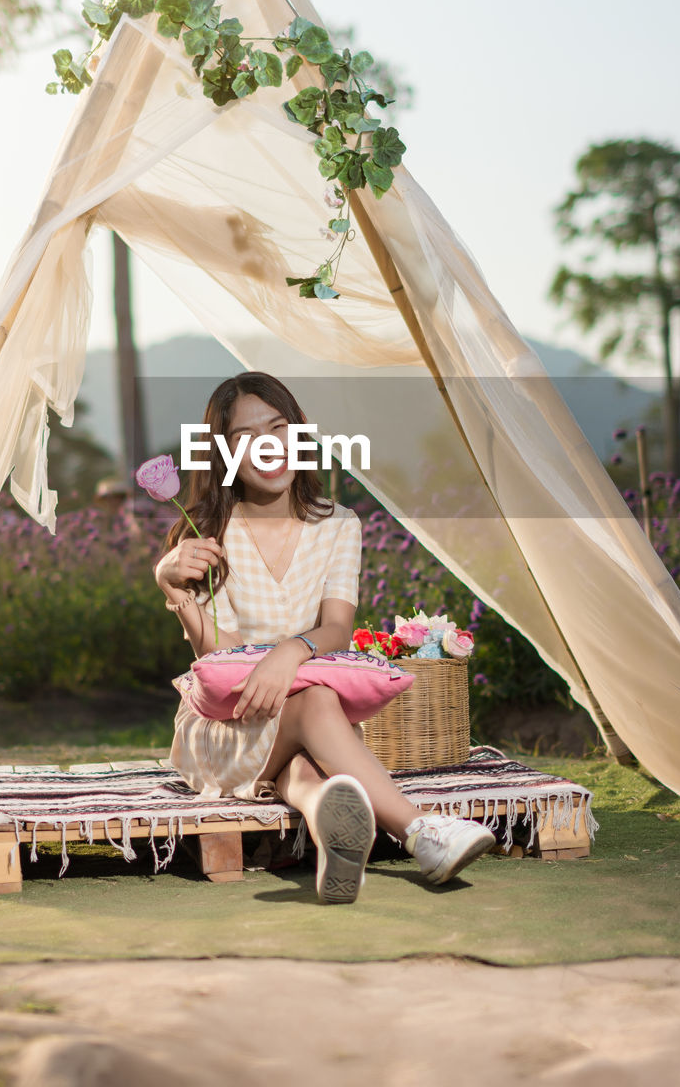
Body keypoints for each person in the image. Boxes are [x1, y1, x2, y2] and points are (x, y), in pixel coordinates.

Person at [153, 372, 495, 904]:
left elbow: (337, 627)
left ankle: (325, 820)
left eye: (279, 426)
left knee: (307, 764)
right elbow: (217, 661)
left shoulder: (339, 524)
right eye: (245, 437)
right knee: (317, 704)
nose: (268, 445)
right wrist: (169, 584)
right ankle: (422, 831)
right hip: (229, 719)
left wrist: (290, 653)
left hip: (304, 712)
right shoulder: (204, 535)